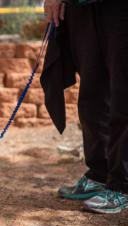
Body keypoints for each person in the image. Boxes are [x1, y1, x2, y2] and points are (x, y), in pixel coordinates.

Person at [41, 0, 128, 213]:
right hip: (82, 6)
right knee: (91, 94)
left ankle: (122, 185)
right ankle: (98, 173)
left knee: (123, 93)